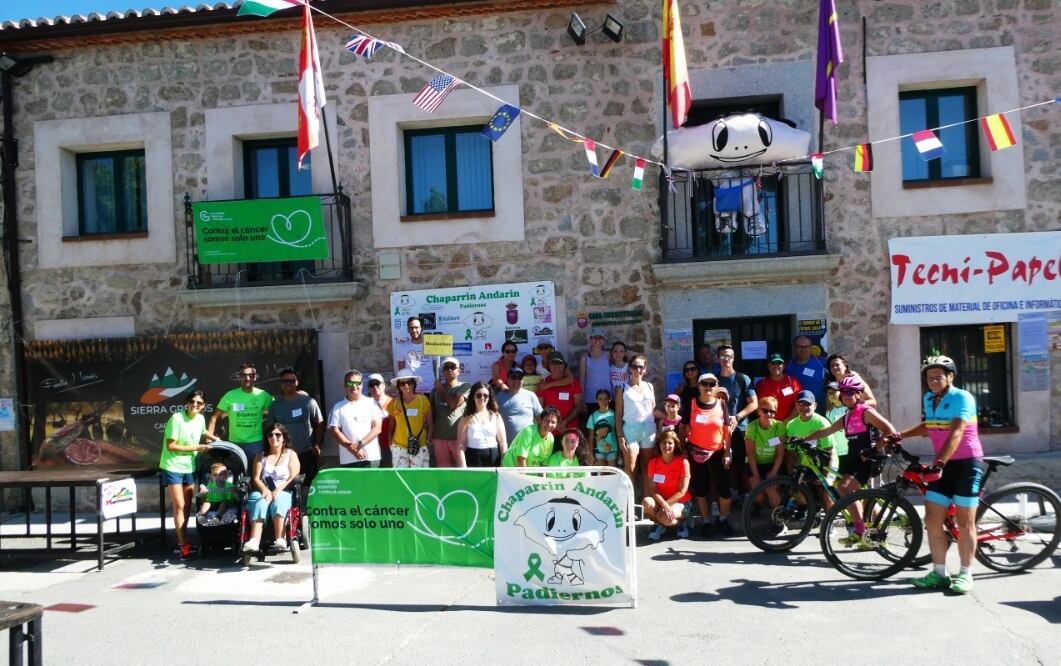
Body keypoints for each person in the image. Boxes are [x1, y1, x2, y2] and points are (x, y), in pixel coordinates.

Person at [899, 355, 986, 594]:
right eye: (929, 376)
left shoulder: (962, 398)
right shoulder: (929, 398)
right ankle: (939, 573)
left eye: (939, 376)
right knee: (932, 520)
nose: (933, 380)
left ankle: (966, 574)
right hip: (943, 465)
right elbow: (929, 426)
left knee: (965, 521)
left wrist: (938, 464)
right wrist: (899, 435)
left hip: (967, 464)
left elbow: (956, 432)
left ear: (951, 377)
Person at [804, 375, 898, 538]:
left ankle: (860, 531)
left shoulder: (866, 412)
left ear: (859, 394)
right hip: (852, 458)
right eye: (843, 392)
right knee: (837, 487)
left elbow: (889, 430)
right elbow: (827, 431)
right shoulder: (847, 416)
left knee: (845, 488)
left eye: (850, 392)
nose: (845, 395)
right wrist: (803, 439)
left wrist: (877, 447)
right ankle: (867, 524)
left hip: (868, 459)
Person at [160, 390, 216, 559]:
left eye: (199, 403)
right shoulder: (176, 418)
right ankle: (183, 545)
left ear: (203, 406)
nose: (195, 405)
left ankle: (182, 540)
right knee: (179, 505)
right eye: (192, 401)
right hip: (172, 466)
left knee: (186, 507)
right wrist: (197, 448)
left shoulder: (200, 418)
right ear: (187, 402)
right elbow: (172, 446)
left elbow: (203, 431)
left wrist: (216, 439)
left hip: (189, 467)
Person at [684, 374, 733, 536]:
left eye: (712, 384)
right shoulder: (691, 404)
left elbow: (727, 430)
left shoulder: (721, 404)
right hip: (696, 452)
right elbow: (683, 427)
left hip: (718, 451)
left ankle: (723, 519)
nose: (708, 387)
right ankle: (705, 521)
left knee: (725, 488)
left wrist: (727, 452)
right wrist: (682, 449)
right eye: (705, 383)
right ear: (699, 386)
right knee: (700, 488)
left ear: (716, 386)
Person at [243, 424, 301, 553]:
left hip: (284, 489)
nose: (273, 437)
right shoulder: (261, 456)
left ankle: (280, 538)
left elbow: (293, 476)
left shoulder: (291, 454)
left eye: (277, 435)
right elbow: (256, 478)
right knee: (258, 500)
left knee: (279, 500)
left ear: (284, 438)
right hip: (264, 488)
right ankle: (254, 541)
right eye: (270, 435)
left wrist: (278, 490)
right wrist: (265, 490)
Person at [268, 367, 324, 487]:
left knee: (309, 486)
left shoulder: (308, 401)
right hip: (283, 453)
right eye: (285, 381)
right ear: (281, 384)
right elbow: (270, 429)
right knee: (286, 486)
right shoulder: (275, 405)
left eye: (291, 381)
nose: (288, 384)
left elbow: (320, 423)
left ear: (296, 382)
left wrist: (317, 445)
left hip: (306, 452)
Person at [716, 345, 757, 499]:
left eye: (729, 356)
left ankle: (748, 497)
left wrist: (737, 417)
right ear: (717, 359)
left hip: (740, 429)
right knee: (725, 465)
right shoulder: (713, 381)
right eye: (722, 356)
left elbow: (754, 403)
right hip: (719, 430)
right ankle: (730, 496)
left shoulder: (742, 378)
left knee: (742, 464)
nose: (726, 359)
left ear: (733, 358)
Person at [208, 362, 273, 461]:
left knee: (255, 473)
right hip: (235, 443)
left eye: (250, 375)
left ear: (255, 377)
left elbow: (278, 410)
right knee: (236, 472)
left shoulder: (263, 395)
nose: (247, 378)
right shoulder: (230, 395)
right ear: (239, 377)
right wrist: (209, 438)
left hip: (255, 443)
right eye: (243, 375)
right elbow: (214, 417)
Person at [784, 391, 838, 504]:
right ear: (796, 405)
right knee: (794, 490)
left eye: (808, 404)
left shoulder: (822, 423)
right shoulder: (791, 425)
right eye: (801, 404)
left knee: (825, 491)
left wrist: (824, 475)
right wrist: (791, 477)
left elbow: (830, 452)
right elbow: (791, 453)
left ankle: (829, 518)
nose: (804, 407)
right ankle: (809, 512)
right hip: (805, 464)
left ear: (815, 406)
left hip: (825, 462)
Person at [327, 369, 384, 469]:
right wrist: (351, 448)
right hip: (348, 460)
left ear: (362, 384)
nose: (354, 386)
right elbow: (335, 431)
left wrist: (359, 444)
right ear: (345, 386)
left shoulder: (372, 403)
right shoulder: (337, 406)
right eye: (350, 383)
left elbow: (377, 428)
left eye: (357, 383)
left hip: (371, 458)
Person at [615, 353, 656, 484]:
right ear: (630, 368)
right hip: (630, 430)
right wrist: (620, 436)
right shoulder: (622, 388)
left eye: (640, 367)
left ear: (645, 368)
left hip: (649, 430)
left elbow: (653, 409)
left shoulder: (650, 386)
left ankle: (647, 502)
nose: (637, 370)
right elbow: (618, 414)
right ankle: (629, 502)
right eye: (634, 366)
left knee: (647, 469)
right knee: (631, 467)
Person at [643, 430, 692, 541]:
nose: (666, 446)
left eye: (670, 443)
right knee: (647, 502)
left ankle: (681, 523)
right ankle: (659, 524)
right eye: (664, 443)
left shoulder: (683, 462)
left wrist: (665, 506)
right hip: (662, 502)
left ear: (675, 445)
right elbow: (653, 489)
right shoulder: (653, 462)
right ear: (659, 445)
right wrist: (664, 505)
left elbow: (682, 491)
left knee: (666, 518)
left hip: (681, 502)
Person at [386, 369, 432, 468]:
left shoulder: (422, 400)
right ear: (398, 386)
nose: (406, 385)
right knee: (402, 479)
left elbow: (430, 424)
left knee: (420, 479)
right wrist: (390, 443)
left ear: (413, 384)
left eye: (409, 382)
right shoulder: (393, 403)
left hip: (420, 446)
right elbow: (391, 426)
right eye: (402, 383)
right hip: (399, 447)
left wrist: (427, 442)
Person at [431, 357, 471, 467]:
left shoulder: (465, 386)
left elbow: (453, 405)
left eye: (453, 367)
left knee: (462, 473)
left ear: (459, 371)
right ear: (442, 371)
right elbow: (432, 414)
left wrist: (440, 390)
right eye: (446, 367)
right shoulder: (434, 391)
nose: (449, 370)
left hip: (459, 439)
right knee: (444, 473)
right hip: (439, 439)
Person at [457, 382, 507, 467]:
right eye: (479, 395)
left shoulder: (496, 416)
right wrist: (463, 468)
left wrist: (504, 463)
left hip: (493, 457)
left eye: (485, 395)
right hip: (473, 457)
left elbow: (503, 444)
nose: (482, 398)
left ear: (489, 397)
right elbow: (460, 446)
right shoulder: (465, 418)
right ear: (473, 397)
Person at [744, 396, 786, 492]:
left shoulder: (780, 426)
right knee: (758, 496)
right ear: (758, 411)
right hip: (755, 464)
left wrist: (773, 473)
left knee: (771, 489)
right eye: (765, 411)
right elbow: (750, 455)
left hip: (772, 463)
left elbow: (780, 454)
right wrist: (756, 476)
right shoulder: (751, 427)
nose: (768, 414)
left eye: (772, 411)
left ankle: (778, 507)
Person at [536, 351, 584, 434]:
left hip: (570, 430)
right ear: (548, 366)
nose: (556, 366)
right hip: (549, 432)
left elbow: (579, 406)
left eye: (559, 363)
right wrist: (553, 424)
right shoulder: (543, 384)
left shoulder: (574, 383)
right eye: (553, 363)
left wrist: (564, 422)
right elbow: (539, 409)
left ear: (564, 366)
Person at [496, 368, 542, 443]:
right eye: (513, 377)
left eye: (519, 378)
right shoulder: (499, 397)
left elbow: (541, 417)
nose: (516, 381)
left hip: (528, 443)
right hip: (507, 444)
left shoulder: (530, 395)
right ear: (507, 379)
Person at [754, 353, 802, 421]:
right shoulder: (761, 384)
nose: (776, 366)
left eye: (779, 363)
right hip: (769, 424)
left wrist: (786, 422)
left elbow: (799, 404)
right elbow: (756, 407)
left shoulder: (792, 382)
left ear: (784, 366)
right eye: (773, 363)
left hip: (790, 424)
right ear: (768, 366)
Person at [395, 316, 434, 392]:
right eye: (411, 328)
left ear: (421, 328)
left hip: (430, 389)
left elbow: (436, 366)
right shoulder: (402, 347)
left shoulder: (431, 344)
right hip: (411, 391)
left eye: (416, 327)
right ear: (408, 329)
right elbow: (402, 372)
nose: (414, 330)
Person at [786, 336, 828, 406]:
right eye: (799, 346)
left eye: (806, 346)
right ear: (794, 347)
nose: (803, 349)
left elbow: (838, 374)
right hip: (797, 411)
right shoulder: (787, 366)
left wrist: (851, 374)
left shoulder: (822, 363)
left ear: (811, 347)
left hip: (820, 411)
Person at [580, 330, 613, 411]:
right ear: (591, 339)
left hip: (608, 398)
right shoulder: (584, 358)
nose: (597, 340)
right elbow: (582, 380)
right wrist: (582, 400)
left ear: (603, 340)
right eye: (595, 338)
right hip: (591, 398)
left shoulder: (608, 355)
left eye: (600, 338)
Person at [366, 373, 393, 468]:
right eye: (371, 384)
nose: (375, 386)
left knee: (389, 477)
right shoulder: (365, 405)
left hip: (389, 446)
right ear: (368, 388)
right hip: (371, 448)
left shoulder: (393, 403)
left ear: (384, 385)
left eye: (377, 383)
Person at [586, 389, 618, 466]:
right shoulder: (593, 416)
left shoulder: (614, 414)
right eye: (600, 399)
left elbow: (618, 433)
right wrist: (590, 454)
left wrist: (620, 454)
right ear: (597, 400)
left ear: (609, 400)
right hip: (599, 450)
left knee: (611, 475)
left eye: (606, 399)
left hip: (612, 449)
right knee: (601, 475)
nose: (603, 401)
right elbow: (591, 437)